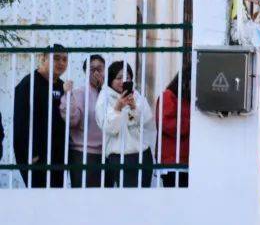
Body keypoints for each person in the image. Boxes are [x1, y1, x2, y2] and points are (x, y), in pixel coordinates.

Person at [12, 45, 69, 188]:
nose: (61, 63)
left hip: (59, 158)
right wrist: (30, 154)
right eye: (56, 58)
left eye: (65, 59)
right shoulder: (28, 85)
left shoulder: (62, 86)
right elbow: (20, 125)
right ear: (43, 58)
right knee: (39, 203)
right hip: (36, 159)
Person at [96, 62, 156, 188]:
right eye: (119, 78)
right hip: (120, 156)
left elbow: (147, 121)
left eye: (127, 78)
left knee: (144, 196)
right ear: (111, 80)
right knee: (128, 199)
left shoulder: (137, 96)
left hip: (143, 154)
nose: (123, 81)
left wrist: (134, 108)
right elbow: (109, 128)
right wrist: (118, 108)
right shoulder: (105, 98)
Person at [59, 55, 106, 188]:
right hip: (83, 154)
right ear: (86, 72)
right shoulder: (79, 93)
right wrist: (67, 95)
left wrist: (104, 89)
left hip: (106, 155)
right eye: (92, 69)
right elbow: (72, 120)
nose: (96, 72)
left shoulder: (109, 94)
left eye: (100, 68)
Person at [157, 63, 192, 188]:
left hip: (186, 160)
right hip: (173, 161)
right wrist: (191, 125)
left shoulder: (187, 99)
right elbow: (166, 123)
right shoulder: (169, 96)